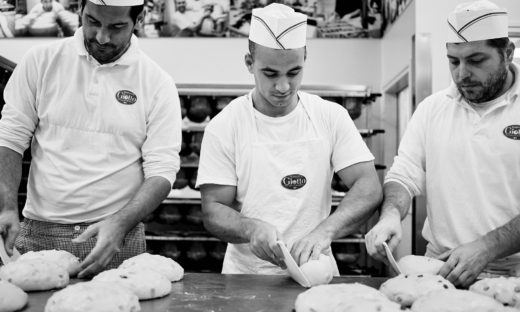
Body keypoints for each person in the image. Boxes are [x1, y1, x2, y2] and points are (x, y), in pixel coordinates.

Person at [0, 0, 182, 278]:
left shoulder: (157, 82)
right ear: (79, 10)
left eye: (117, 27)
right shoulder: (40, 61)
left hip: (117, 236)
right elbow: (10, 138)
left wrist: (121, 223)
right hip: (39, 233)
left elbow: (163, 170)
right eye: (93, 21)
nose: (102, 37)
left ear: (139, 18)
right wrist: (6, 207)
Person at [196, 3, 382, 275]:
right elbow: (213, 209)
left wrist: (324, 231)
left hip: (317, 269)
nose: (283, 87)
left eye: (294, 73)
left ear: (305, 59)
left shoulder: (330, 116)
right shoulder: (225, 125)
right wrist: (250, 228)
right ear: (250, 63)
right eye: (270, 74)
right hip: (246, 276)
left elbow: (368, 186)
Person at [365, 0, 520, 288]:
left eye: (476, 60)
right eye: (453, 61)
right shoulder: (432, 109)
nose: (462, 74)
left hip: (514, 276)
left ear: (507, 53)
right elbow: (403, 176)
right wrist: (390, 215)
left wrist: (487, 247)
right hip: (440, 271)